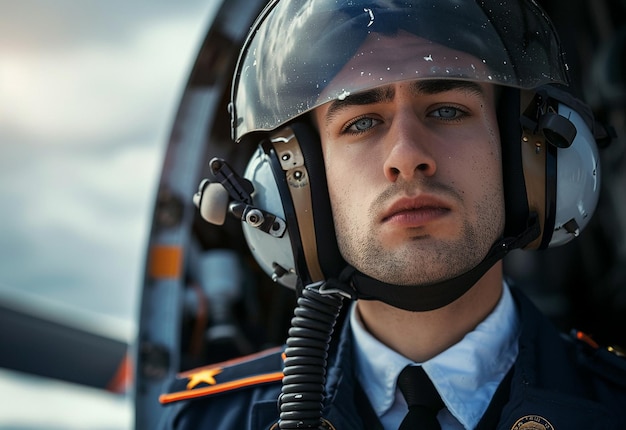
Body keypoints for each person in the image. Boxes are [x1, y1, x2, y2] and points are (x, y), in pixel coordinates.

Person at [160, 1, 626, 429]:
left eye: (446, 110)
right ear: (300, 184)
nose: (406, 156)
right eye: (361, 123)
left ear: (529, 159)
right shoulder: (203, 420)